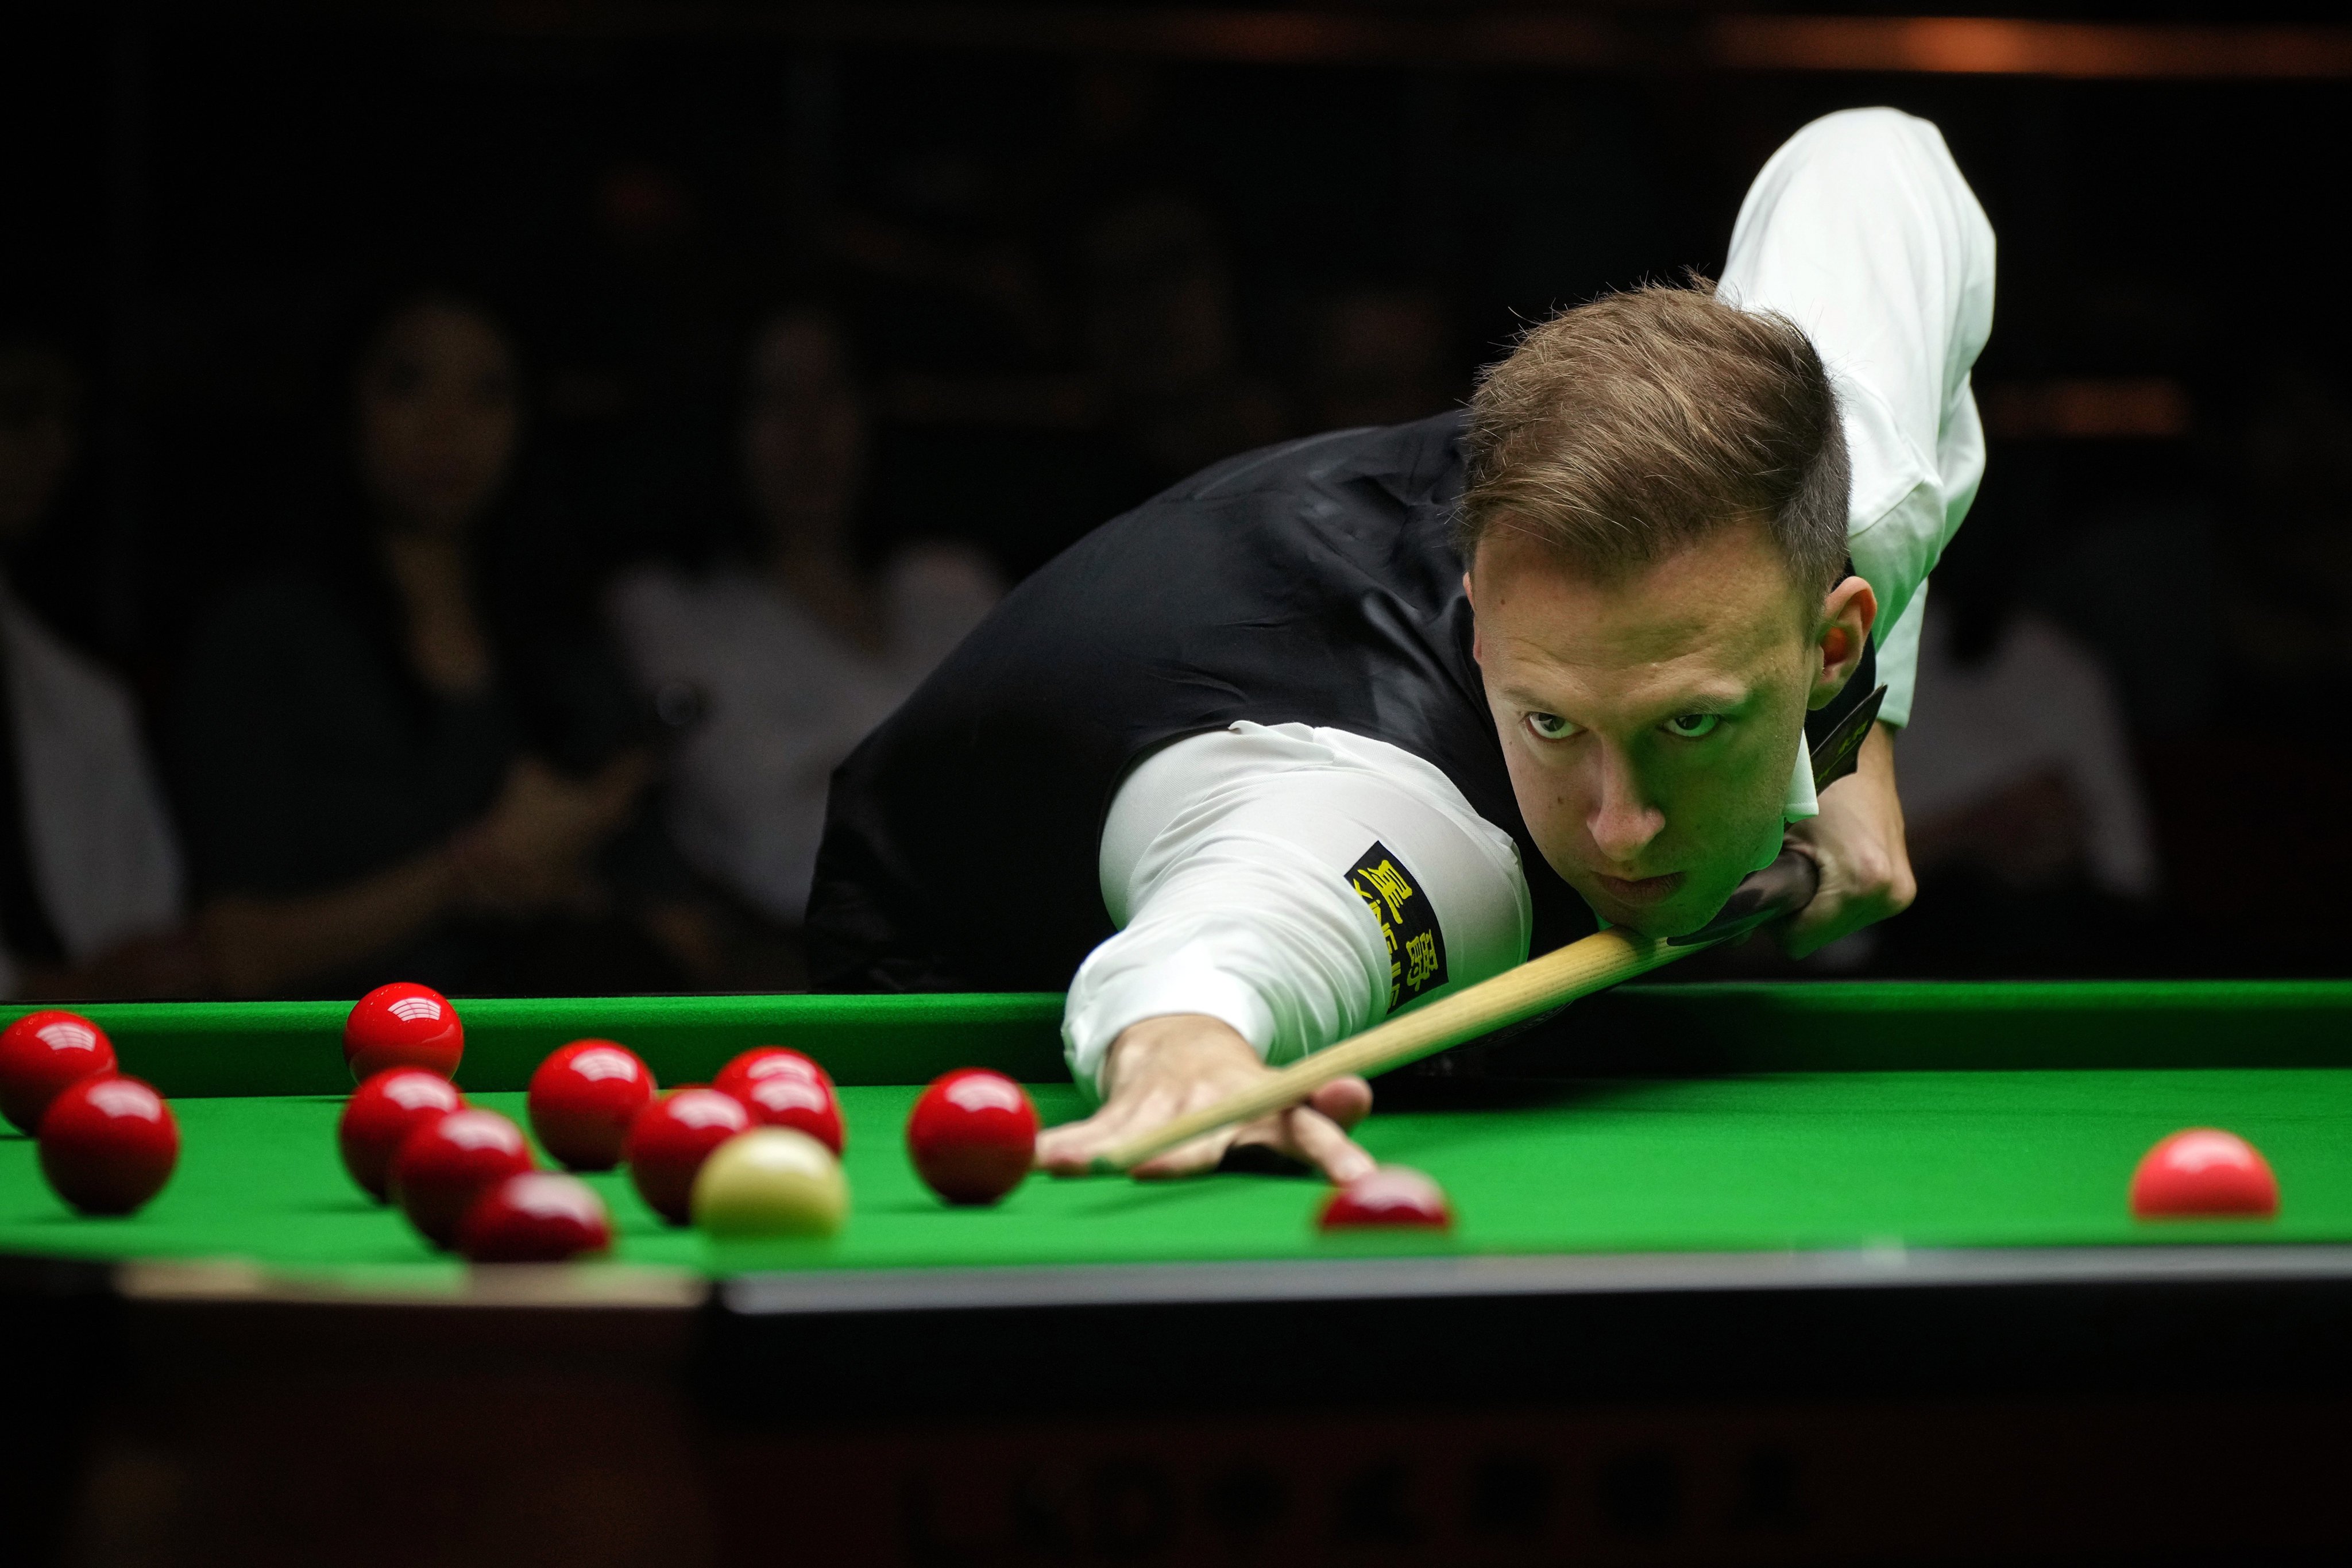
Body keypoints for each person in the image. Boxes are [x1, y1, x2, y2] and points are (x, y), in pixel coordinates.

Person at [810, 109, 1994, 1181]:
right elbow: (1249, 927)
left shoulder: (1838, 474)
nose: (1619, 824)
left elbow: (1874, 155)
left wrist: (1857, 735)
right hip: (952, 965)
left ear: (1832, 638)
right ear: (1481, 620)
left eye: (1690, 721)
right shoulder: (1419, 832)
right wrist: (1188, 1044)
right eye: (1553, 723)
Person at [172, 288, 689, 999]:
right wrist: (470, 870)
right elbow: (233, 953)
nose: (447, 426)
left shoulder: (565, 645)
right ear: (348, 400)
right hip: (336, 1072)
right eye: (408, 382)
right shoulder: (263, 635)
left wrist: (568, 881)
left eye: (487, 392)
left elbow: (689, 940)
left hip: (548, 1068)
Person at [609, 304, 999, 952]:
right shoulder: (670, 608)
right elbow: (779, 853)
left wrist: (839, 774)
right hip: (816, 971)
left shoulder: (950, 584)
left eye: (833, 390)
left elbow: (1048, 786)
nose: (810, 431)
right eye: (773, 398)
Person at [0, 329, 196, 999]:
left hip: (71, 1068)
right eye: (19, 411)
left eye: (65, 421)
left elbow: (145, 947)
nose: (52, 450)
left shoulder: (88, 702)